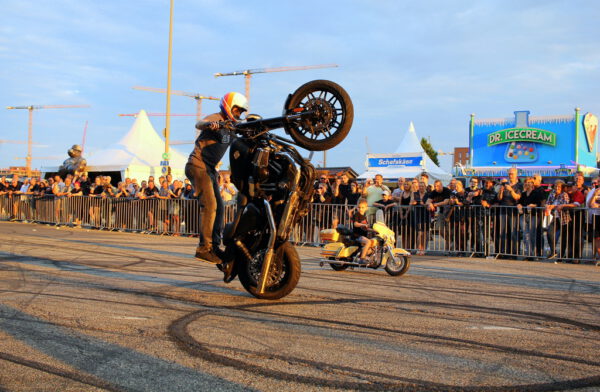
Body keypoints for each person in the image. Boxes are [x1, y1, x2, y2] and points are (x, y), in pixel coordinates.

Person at [185, 91, 248, 264]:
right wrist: (209, 125)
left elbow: (242, 139)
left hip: (210, 169)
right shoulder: (217, 118)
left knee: (220, 207)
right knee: (210, 205)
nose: (238, 114)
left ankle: (214, 247)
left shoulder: (231, 128)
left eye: (241, 112)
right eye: (237, 110)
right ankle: (204, 248)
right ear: (228, 106)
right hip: (198, 165)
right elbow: (199, 124)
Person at [497, 168, 522, 257]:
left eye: (512, 173)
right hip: (503, 209)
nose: (510, 175)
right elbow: (499, 198)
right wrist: (501, 190)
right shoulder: (505, 184)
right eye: (509, 173)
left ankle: (514, 252)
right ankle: (504, 252)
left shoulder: (519, 185)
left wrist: (511, 190)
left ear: (516, 175)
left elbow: (517, 197)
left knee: (513, 231)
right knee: (503, 231)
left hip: (513, 210)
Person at [352, 198, 377, 264]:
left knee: (373, 244)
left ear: (366, 208)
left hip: (363, 236)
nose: (360, 209)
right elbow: (355, 224)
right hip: (357, 235)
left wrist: (374, 230)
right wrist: (363, 224)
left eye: (362, 207)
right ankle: (362, 259)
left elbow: (366, 228)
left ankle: (366, 256)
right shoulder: (356, 214)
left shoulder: (364, 217)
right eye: (359, 207)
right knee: (368, 242)